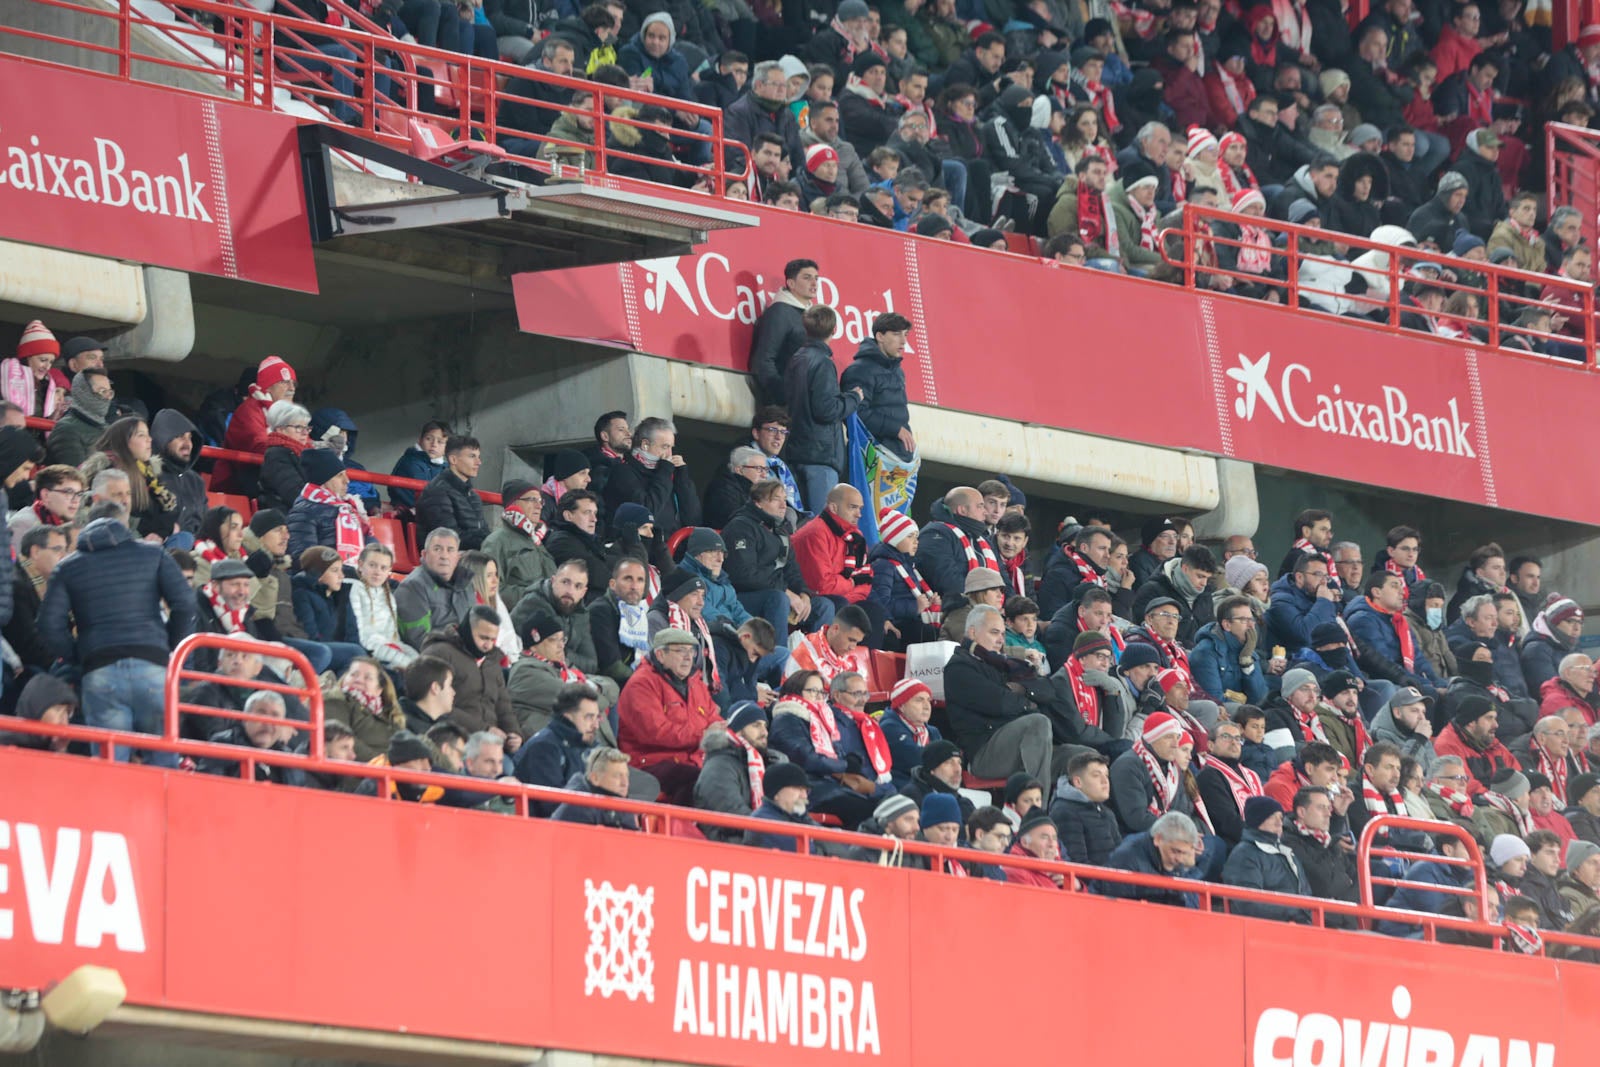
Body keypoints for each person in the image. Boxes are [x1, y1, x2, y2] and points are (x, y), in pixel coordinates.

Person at [38, 502, 193, 764]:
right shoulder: (153, 554)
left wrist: (78, 655)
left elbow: (48, 624)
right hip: (153, 668)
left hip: (100, 671)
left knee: (111, 766)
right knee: (165, 764)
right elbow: (185, 603)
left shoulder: (68, 567)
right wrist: (168, 645)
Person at [943, 604, 1070, 795]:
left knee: (1083, 759)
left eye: (1003, 634)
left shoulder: (1002, 663)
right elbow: (1001, 703)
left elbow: (1047, 690)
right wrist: (1030, 703)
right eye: (994, 632)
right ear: (972, 632)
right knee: (1038, 722)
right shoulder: (959, 668)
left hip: (1025, 746)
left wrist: (1020, 690)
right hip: (985, 755)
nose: (1000, 640)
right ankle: (1036, 816)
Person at [616, 627, 721, 803]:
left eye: (692, 651)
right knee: (696, 779)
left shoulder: (696, 683)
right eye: (680, 650)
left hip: (692, 758)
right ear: (660, 655)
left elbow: (715, 720)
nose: (688, 657)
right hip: (648, 763)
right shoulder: (641, 684)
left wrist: (717, 736)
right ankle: (684, 828)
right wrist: (703, 735)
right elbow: (656, 732)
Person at [783, 305, 862, 515]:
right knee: (824, 525)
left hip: (796, 450)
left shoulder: (796, 359)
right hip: (820, 456)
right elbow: (826, 410)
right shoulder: (824, 364)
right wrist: (854, 397)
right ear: (835, 329)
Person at [513, 681, 603, 815]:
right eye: (589, 717)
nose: (595, 725)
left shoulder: (591, 747)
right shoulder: (544, 748)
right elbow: (554, 807)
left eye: (597, 718)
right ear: (568, 716)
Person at [602, 417, 702, 537]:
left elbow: (693, 518)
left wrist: (682, 476)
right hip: (642, 549)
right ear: (645, 445)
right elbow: (648, 512)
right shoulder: (624, 472)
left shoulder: (666, 471)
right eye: (665, 447)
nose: (670, 454)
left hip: (671, 547)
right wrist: (664, 471)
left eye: (671, 447)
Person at [213, 356, 297, 495]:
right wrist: (294, 449)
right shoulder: (249, 410)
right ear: (268, 386)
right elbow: (259, 446)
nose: (291, 388)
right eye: (285, 382)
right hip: (238, 489)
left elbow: (305, 442)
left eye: (293, 383)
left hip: (273, 486)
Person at [1222, 797, 1313, 923]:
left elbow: (1306, 893)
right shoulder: (1244, 855)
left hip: (1298, 927)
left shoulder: (1288, 853)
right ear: (1257, 820)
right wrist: (1295, 910)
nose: (1279, 822)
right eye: (1272, 817)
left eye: (1281, 818)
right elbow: (1248, 903)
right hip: (1264, 931)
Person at [839, 312, 915, 463]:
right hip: (870, 458)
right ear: (880, 336)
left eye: (905, 335)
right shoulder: (859, 371)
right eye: (896, 334)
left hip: (898, 459)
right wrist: (895, 429)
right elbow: (856, 414)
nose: (903, 341)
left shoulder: (898, 371)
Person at [916, 486, 999, 607]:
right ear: (962, 510)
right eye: (980, 506)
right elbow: (946, 580)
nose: (985, 512)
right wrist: (981, 600)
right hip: (955, 612)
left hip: (987, 609)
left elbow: (1003, 577)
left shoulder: (983, 540)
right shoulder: (935, 534)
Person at [1102, 811, 1206, 907]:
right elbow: (1114, 906)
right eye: (1175, 851)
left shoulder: (1178, 862)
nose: (1179, 859)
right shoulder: (1126, 858)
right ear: (1158, 839)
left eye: (1184, 853)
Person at [394, 528, 475, 649]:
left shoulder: (465, 583)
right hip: (435, 659)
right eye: (437, 549)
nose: (444, 556)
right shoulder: (412, 587)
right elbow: (419, 640)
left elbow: (475, 626)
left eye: (450, 550)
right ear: (424, 555)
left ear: (458, 557)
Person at [1130, 544, 1218, 646]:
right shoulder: (1153, 591)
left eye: (1207, 578)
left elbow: (1210, 630)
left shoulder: (1205, 594)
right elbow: (1146, 631)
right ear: (1185, 568)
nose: (1204, 583)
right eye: (1200, 576)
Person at [1195, 719, 1265, 847]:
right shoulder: (1209, 775)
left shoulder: (1250, 775)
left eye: (1238, 738)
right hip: (1233, 844)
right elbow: (1227, 821)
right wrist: (1260, 838)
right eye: (1226, 737)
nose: (1234, 742)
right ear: (1211, 745)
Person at [1189, 594, 1269, 705]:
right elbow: (1214, 700)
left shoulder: (1247, 650)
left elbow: (1260, 697)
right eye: (1243, 620)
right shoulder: (1206, 652)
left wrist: (1247, 662)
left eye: (1251, 619)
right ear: (1227, 625)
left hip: (1245, 715)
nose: (1251, 626)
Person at [320, 657, 404, 762]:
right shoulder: (335, 700)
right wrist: (382, 764)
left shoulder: (391, 717)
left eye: (368, 678)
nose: (358, 680)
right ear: (344, 680)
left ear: (379, 690)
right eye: (353, 675)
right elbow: (339, 740)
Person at [1050, 750, 1123, 865]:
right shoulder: (1064, 812)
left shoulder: (1107, 812)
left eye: (1106, 776)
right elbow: (1077, 864)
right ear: (1078, 782)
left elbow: (1121, 856)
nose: (1105, 781)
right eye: (1096, 775)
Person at [416, 435, 489, 551]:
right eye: (472, 456)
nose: (478, 462)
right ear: (453, 459)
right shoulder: (437, 491)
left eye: (478, 457)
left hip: (472, 555)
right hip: (446, 557)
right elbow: (449, 538)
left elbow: (484, 531)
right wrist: (489, 543)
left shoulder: (473, 496)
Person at [550, 747, 640, 830]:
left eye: (626, 776)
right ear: (595, 778)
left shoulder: (621, 804)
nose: (625, 783)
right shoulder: (578, 808)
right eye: (617, 776)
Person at [44, 369, 113, 469]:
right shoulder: (66, 429)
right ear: (84, 392)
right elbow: (78, 476)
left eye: (110, 392)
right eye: (102, 391)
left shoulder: (108, 427)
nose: (108, 398)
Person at [388, 420, 451, 510]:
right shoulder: (411, 462)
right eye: (429, 439)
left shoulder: (447, 469)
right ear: (420, 440)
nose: (434, 445)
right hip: (409, 512)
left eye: (440, 442)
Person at [1371, 686, 1437, 766]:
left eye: (1423, 712)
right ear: (1397, 713)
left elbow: (1433, 769)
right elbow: (1402, 771)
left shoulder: (1418, 731)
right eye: (1414, 711)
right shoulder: (1380, 736)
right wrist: (1419, 739)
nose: (1422, 717)